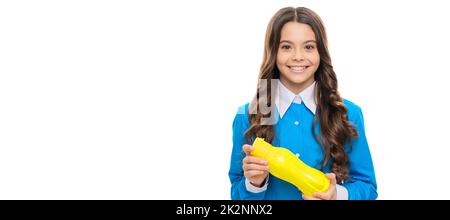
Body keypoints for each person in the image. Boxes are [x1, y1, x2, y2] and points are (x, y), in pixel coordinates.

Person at [228, 7, 377, 200]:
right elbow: (236, 196)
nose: (298, 56)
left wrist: (336, 195)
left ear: (320, 52)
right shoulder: (250, 113)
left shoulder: (347, 113)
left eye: (308, 47)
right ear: (273, 52)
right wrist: (254, 183)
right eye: (286, 47)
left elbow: (367, 187)